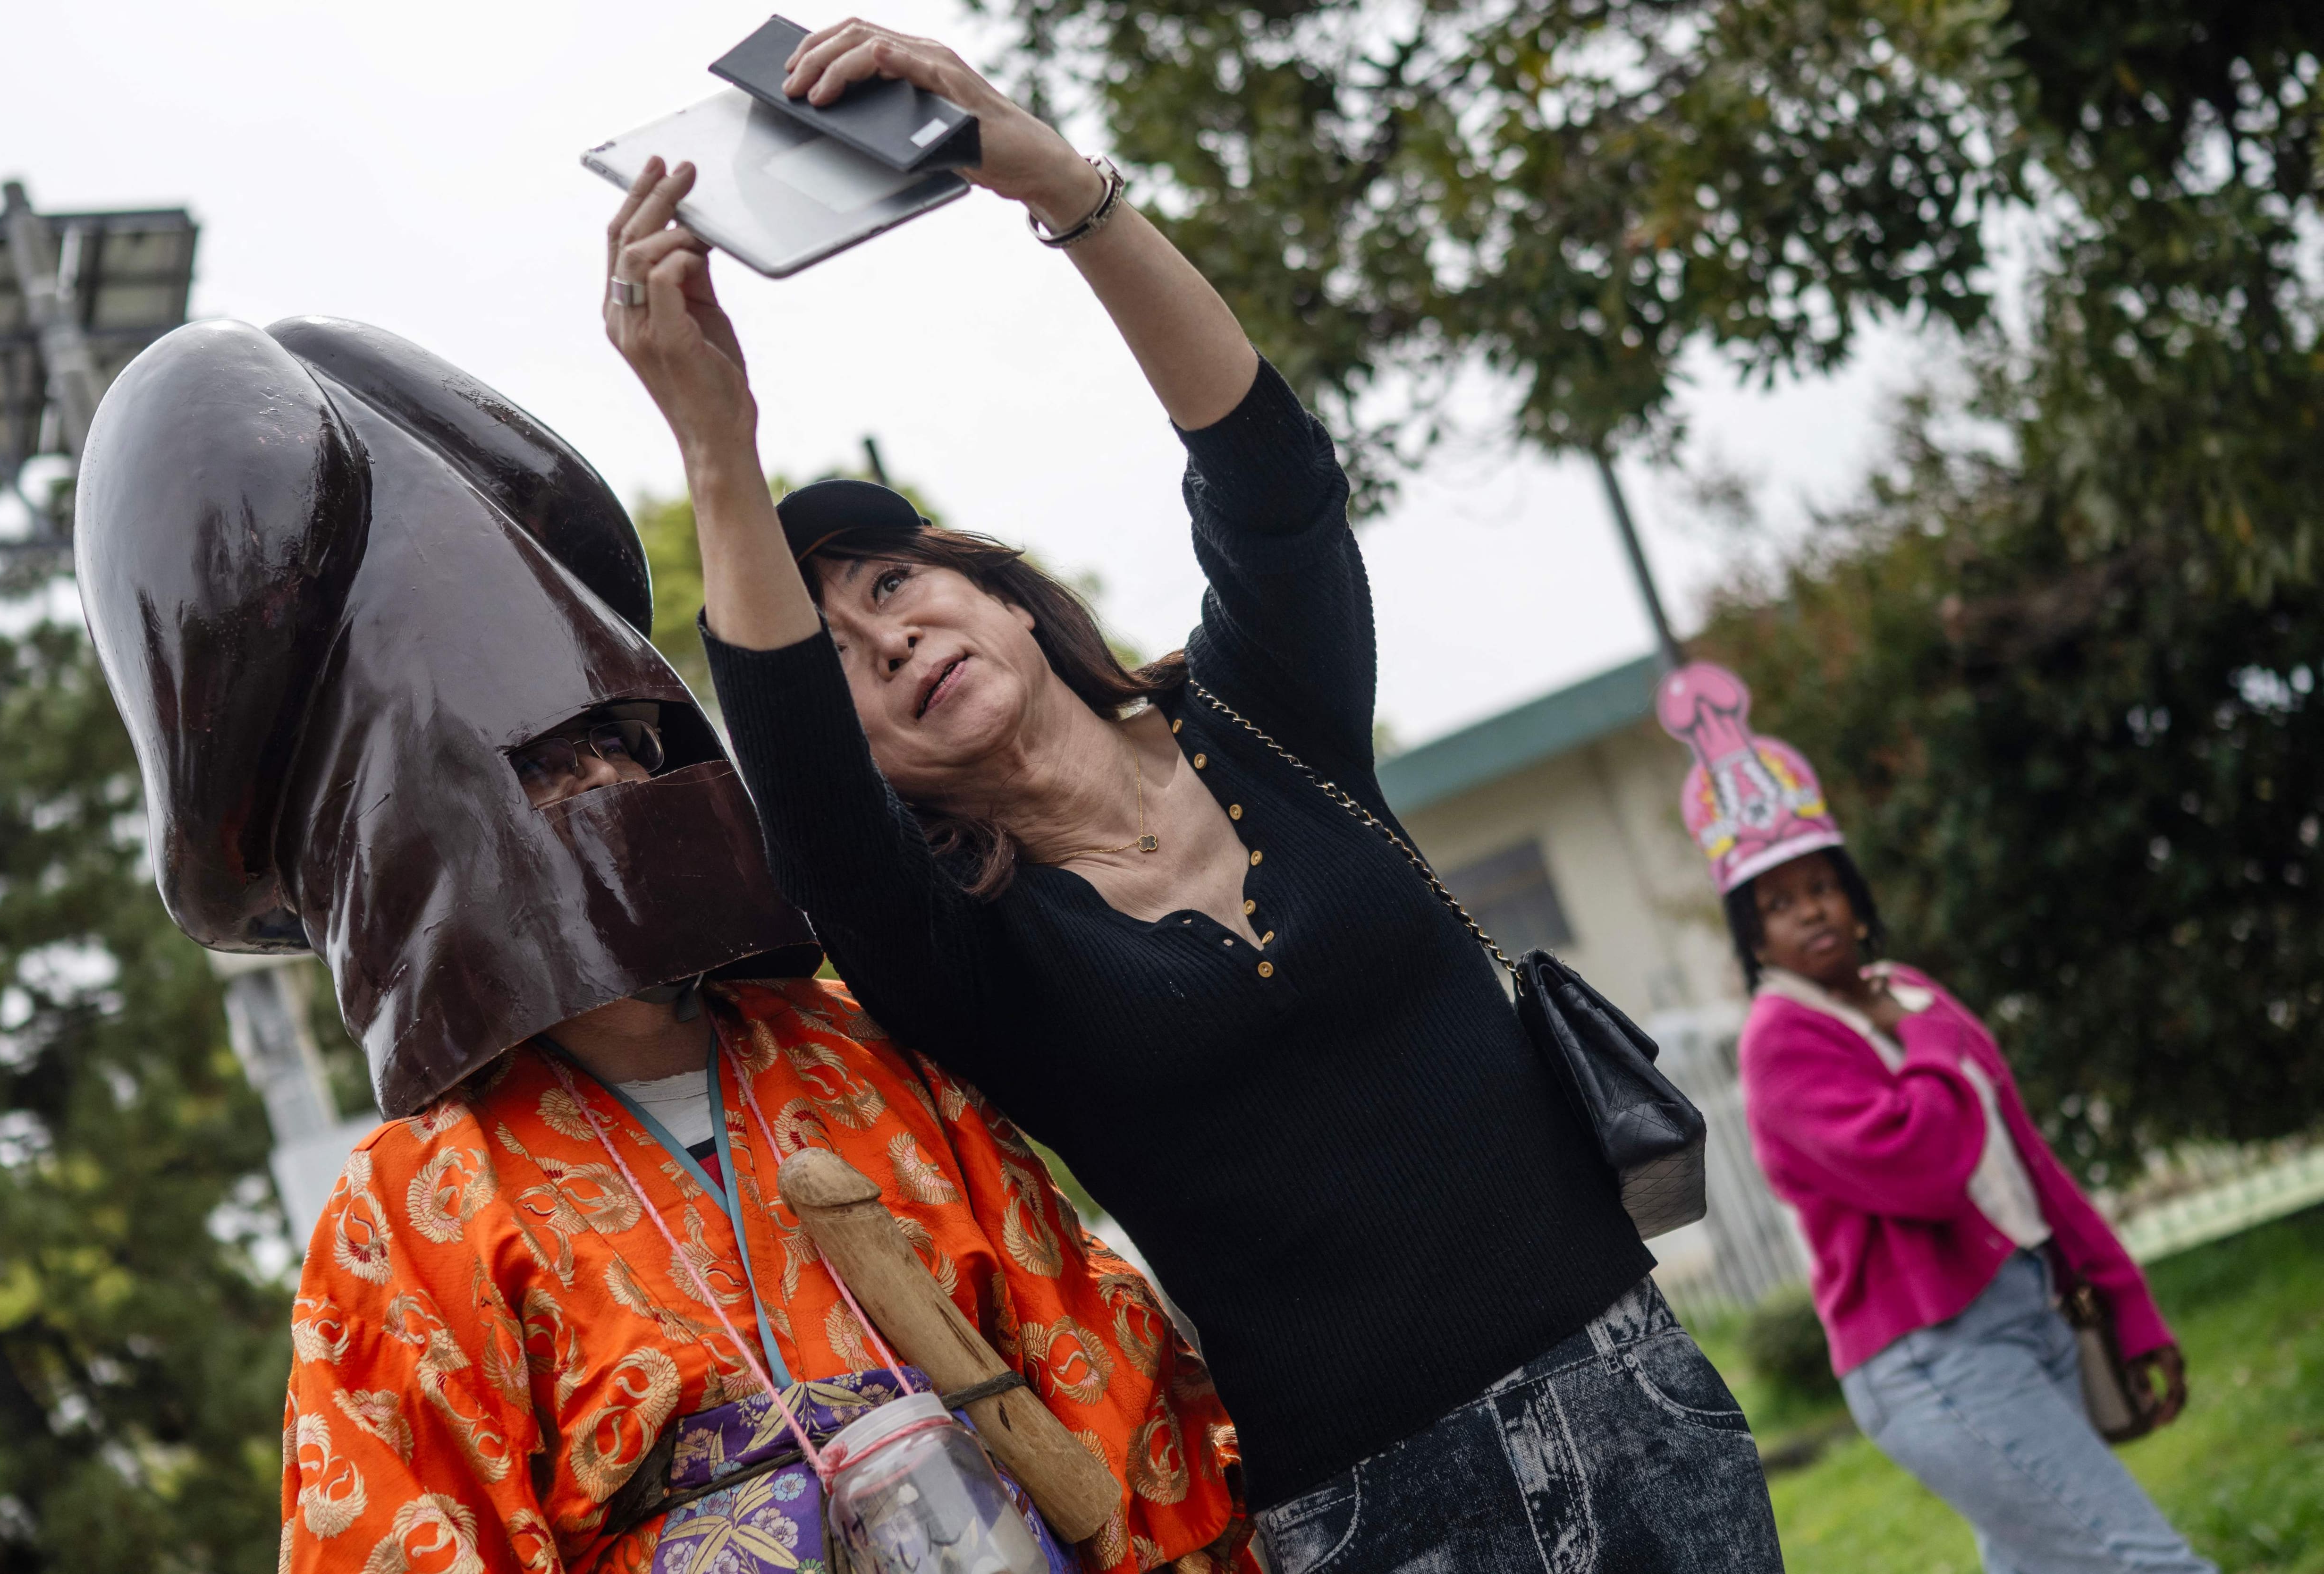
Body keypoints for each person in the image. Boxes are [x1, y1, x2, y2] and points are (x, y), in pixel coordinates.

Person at [602, 20, 1784, 1574]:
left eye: (897, 579)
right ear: (865, 756)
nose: (888, 636)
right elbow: (805, 801)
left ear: (1011, 599)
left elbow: (1271, 476)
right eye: (844, 660)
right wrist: (716, 443)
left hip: (1638, 1393)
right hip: (1373, 1517)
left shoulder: (1271, 719)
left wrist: (1044, 174)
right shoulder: (971, 947)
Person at [73, 315, 1251, 1574]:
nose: (613, 784)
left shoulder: (863, 1059)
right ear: (430, 837)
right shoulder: (414, 1211)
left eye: (626, 742)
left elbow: (1097, 1363)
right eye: (551, 769)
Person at [1657, 660, 2213, 1574]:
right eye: (1780, 904)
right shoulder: (1781, 1041)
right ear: (1752, 938)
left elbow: (2025, 1162)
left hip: (2033, 1311)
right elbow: (1921, 1168)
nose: (1811, 911)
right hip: (1932, 1354)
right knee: (2144, 1559)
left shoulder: (1913, 995)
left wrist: (2128, 1303)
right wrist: (1917, 1047)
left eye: (1823, 886)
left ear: (1856, 896)